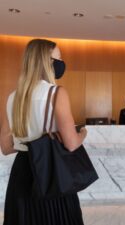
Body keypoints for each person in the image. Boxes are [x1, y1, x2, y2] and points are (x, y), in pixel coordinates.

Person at [0, 39, 87, 225]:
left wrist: (28, 142)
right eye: (59, 58)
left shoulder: (12, 98)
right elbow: (71, 143)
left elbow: (6, 148)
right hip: (50, 172)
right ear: (46, 62)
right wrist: (83, 133)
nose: (62, 63)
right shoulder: (56, 93)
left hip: (21, 173)